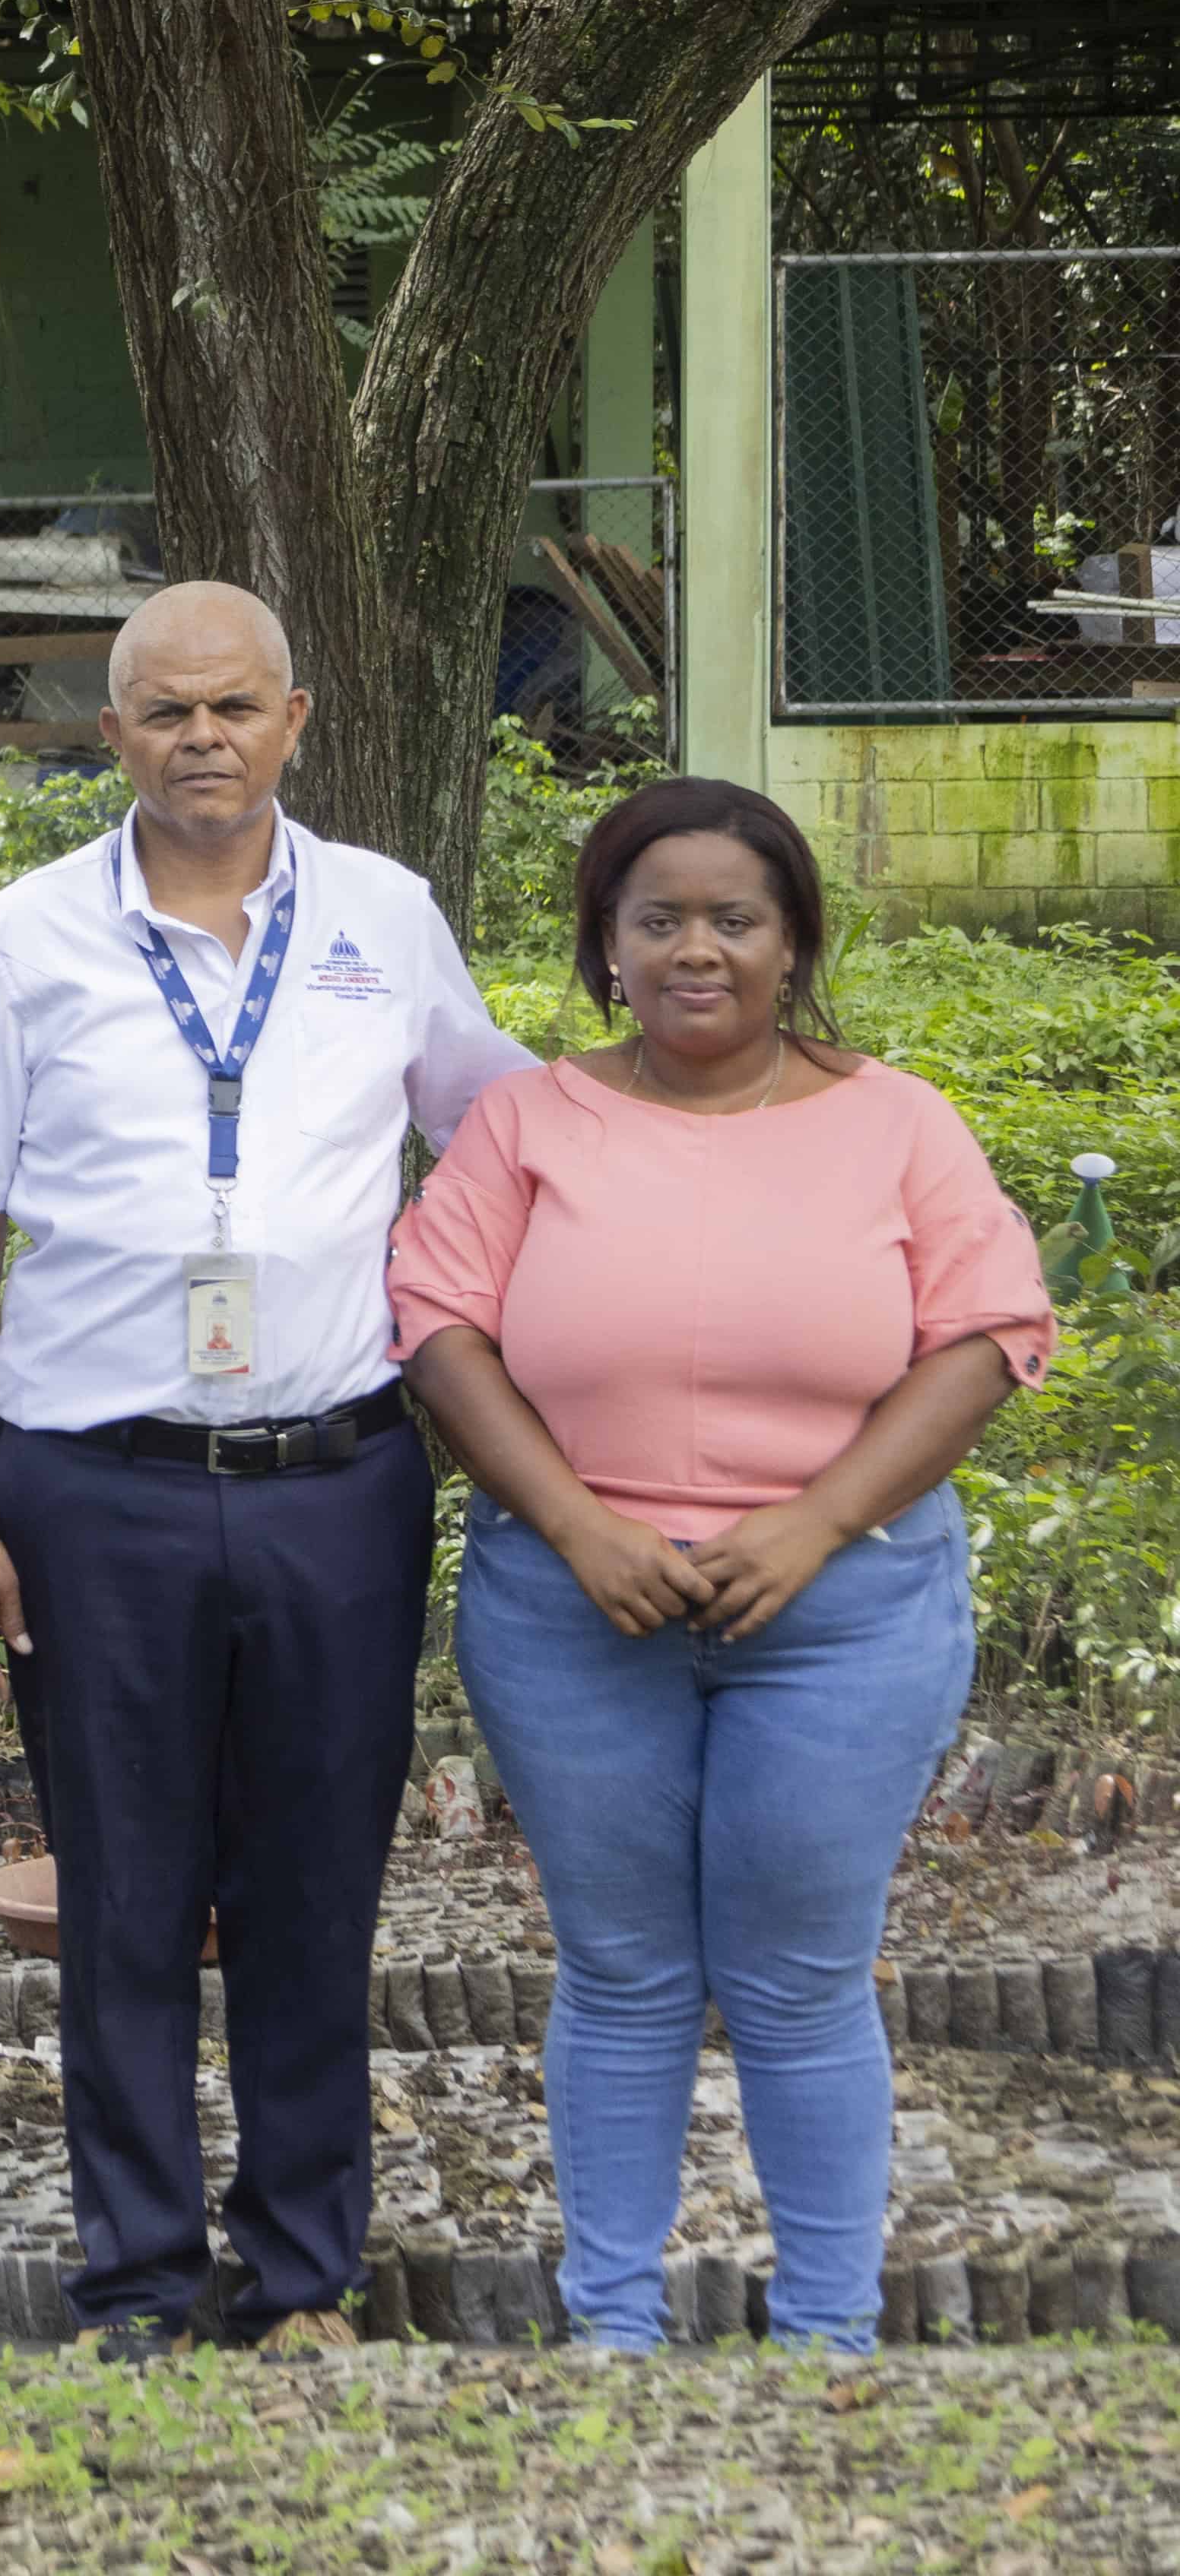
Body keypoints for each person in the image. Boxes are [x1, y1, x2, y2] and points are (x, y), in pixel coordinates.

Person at [0, 579, 528, 2358]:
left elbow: (489, 1140)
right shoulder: (19, 943)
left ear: (296, 719)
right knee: (120, 1888)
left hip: (339, 1473)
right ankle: (135, 2270)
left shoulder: (385, 917)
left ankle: (303, 2266)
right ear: (109, 732)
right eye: (166, 710)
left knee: (313, 1884)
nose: (202, 738)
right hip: (91, 1489)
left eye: (234, 707)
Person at [391, 778, 1046, 2353]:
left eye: (735, 919)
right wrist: (579, 1522)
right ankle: (611, 2330)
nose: (699, 950)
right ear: (607, 947)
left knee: (801, 1972)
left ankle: (826, 2335)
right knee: (620, 1969)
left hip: (845, 1610)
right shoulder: (528, 1121)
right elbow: (438, 1323)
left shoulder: (899, 1121)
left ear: (794, 940)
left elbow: (988, 1331)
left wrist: (812, 1521)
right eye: (659, 919)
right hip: (575, 1608)